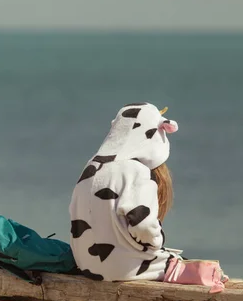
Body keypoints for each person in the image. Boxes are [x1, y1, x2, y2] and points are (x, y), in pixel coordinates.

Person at [69, 102, 180, 281]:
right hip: (125, 269)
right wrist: (155, 244)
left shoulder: (90, 168)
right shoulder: (136, 171)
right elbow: (143, 224)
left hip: (86, 265)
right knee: (179, 264)